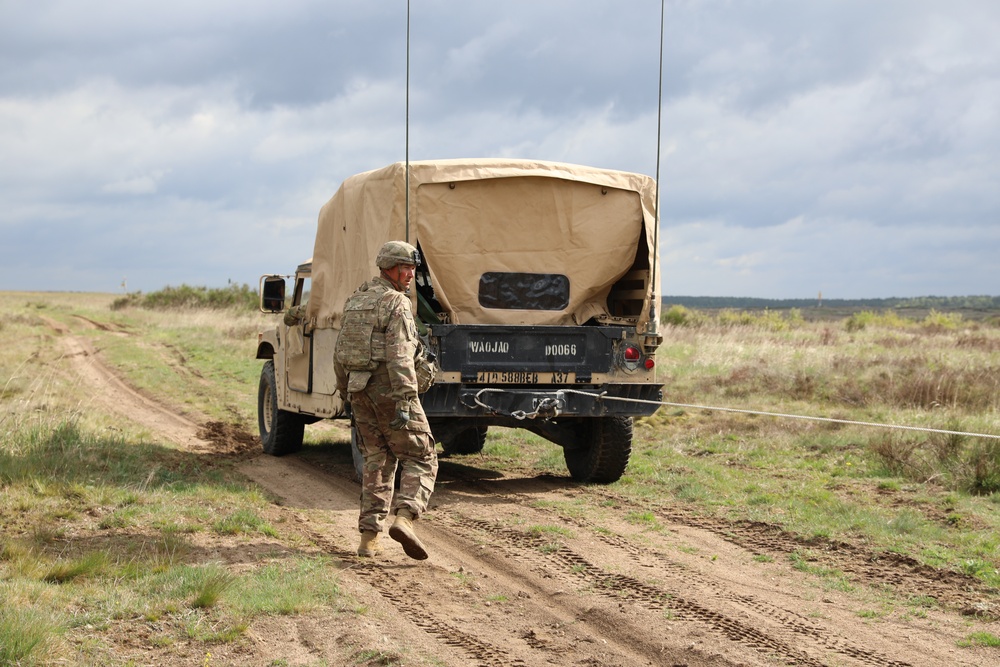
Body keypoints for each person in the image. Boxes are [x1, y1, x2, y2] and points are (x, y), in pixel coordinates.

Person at [333, 241, 438, 560]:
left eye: (413, 269)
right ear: (391, 268)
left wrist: (346, 393)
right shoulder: (396, 303)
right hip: (391, 389)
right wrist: (407, 399)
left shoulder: (356, 300)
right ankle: (405, 519)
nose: (410, 275)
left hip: (359, 389)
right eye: (406, 268)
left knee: (377, 459)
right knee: (421, 455)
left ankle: (368, 540)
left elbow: (340, 353)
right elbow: (400, 355)